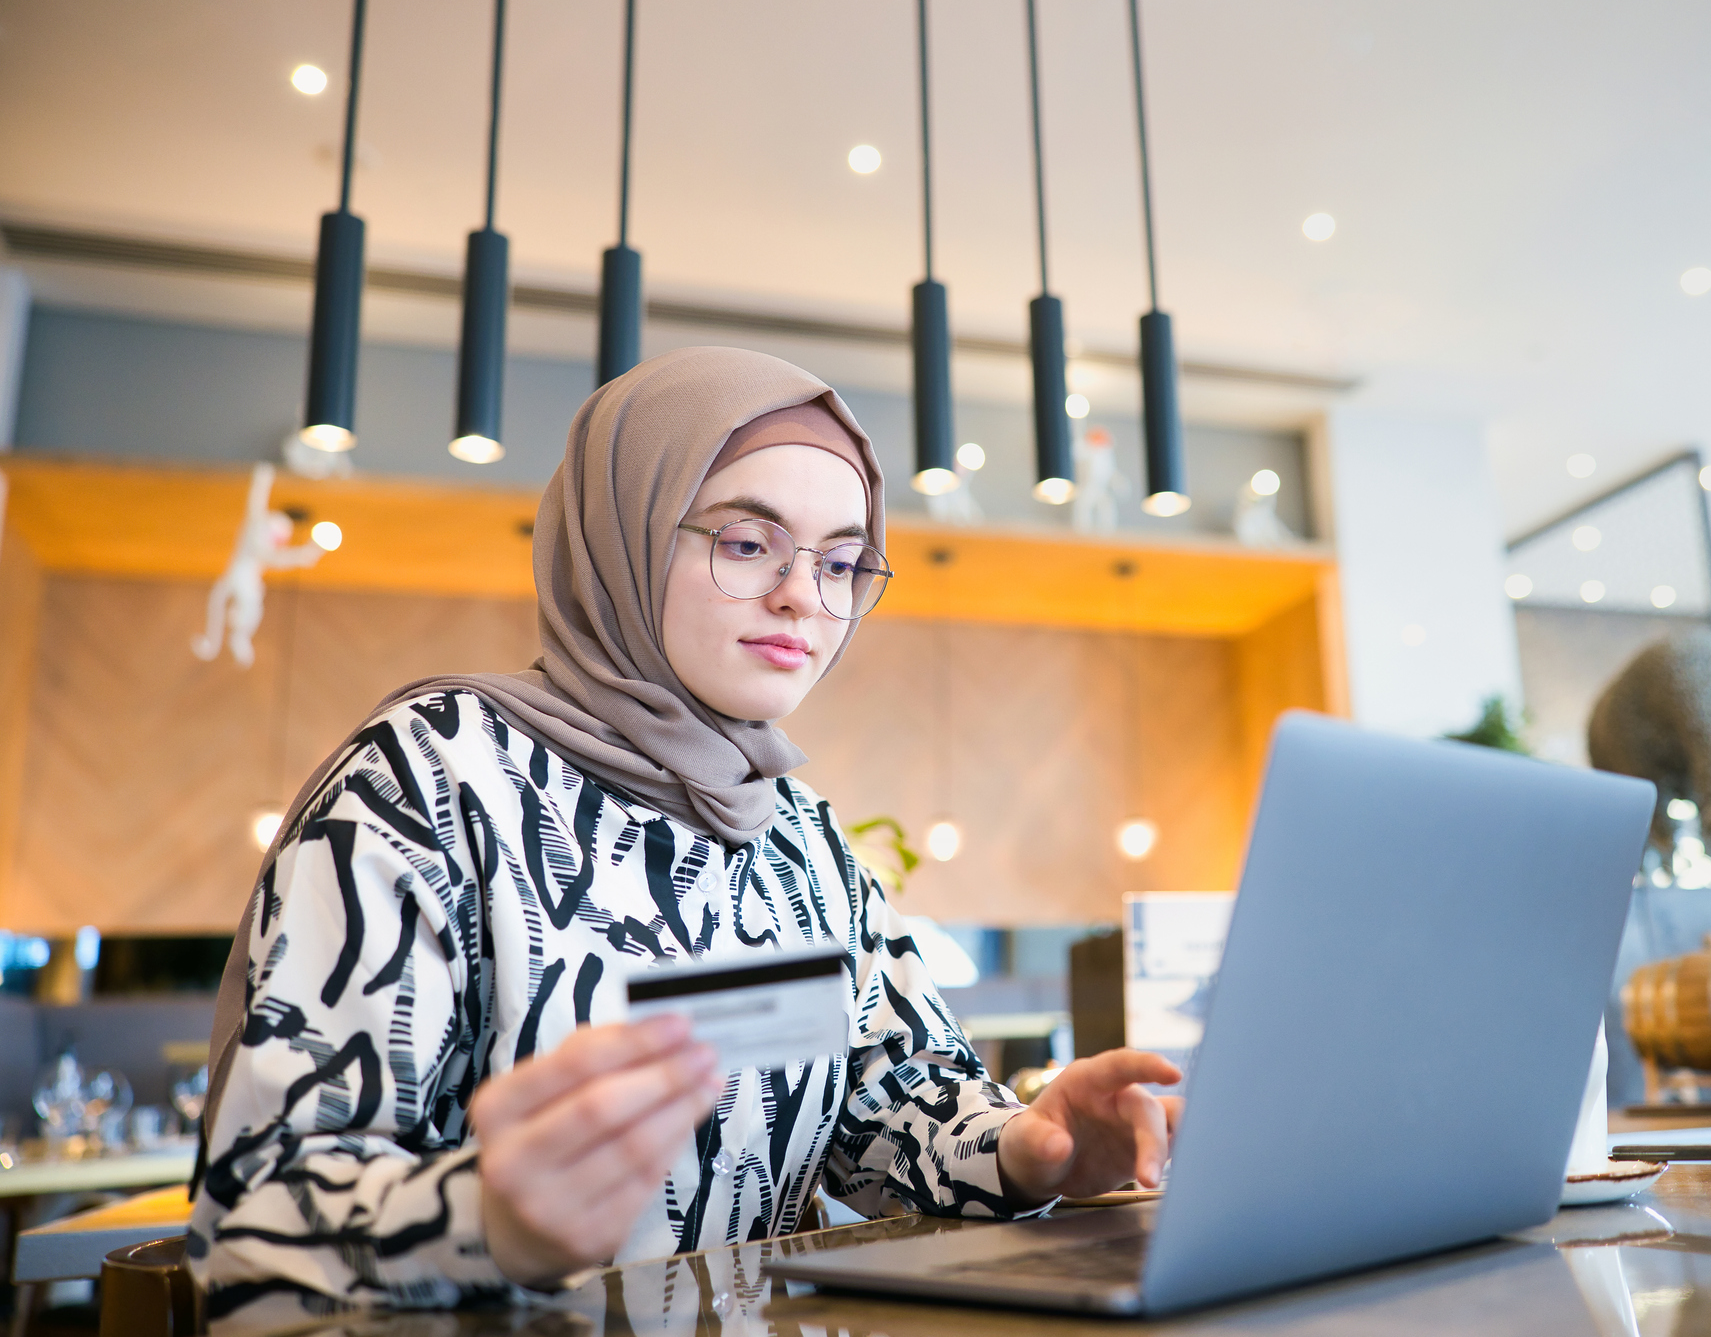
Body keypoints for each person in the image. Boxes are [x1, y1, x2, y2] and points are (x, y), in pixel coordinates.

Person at [189, 348, 1182, 1321]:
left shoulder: (802, 838)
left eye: (840, 561)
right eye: (748, 543)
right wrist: (485, 1216)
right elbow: (265, 1210)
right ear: (619, 535)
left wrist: (1032, 1145)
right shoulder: (432, 778)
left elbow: (883, 1108)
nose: (804, 595)